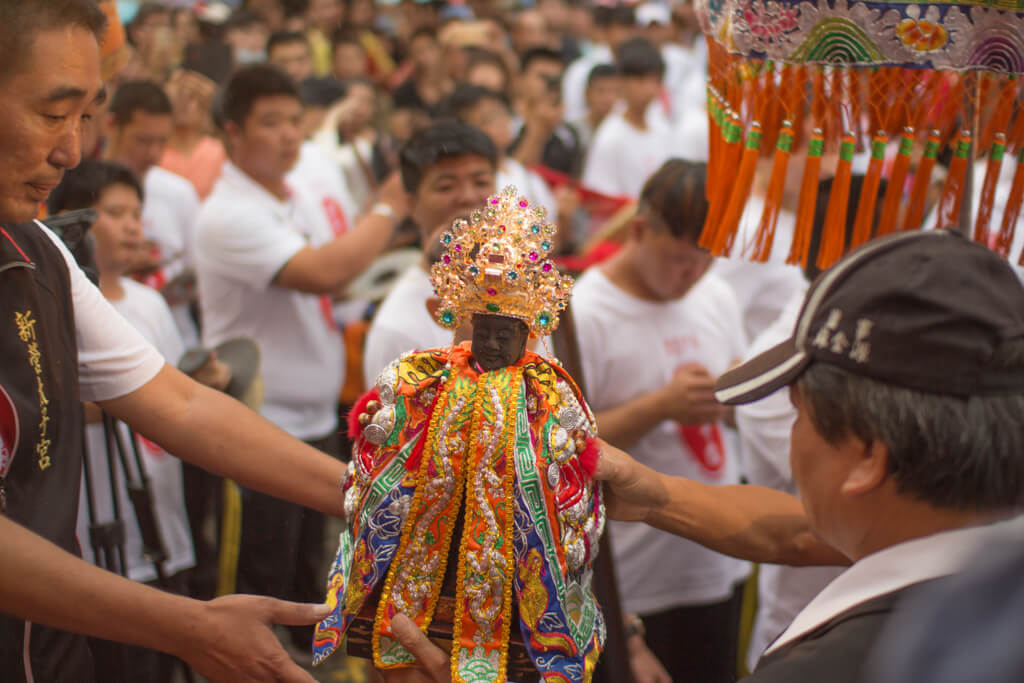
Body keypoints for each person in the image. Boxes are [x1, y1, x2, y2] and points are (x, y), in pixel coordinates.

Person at [0, 3, 345, 681]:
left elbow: (178, 404)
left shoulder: (36, 253)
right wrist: (190, 627)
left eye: (86, 116)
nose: (72, 150)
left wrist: (377, 495)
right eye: (52, 113)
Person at [596, 229, 1024, 681]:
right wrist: (654, 495)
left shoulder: (830, 667)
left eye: (798, 413)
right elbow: (797, 535)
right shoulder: (970, 556)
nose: (794, 435)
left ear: (867, 455)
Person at [316, 187, 603, 683]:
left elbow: (573, 463)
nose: (491, 345)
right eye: (482, 329)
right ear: (458, 318)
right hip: (430, 539)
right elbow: (380, 439)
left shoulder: (548, 390)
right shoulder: (426, 374)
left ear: (528, 332)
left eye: (504, 334)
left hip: (515, 552)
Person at [194, 62, 402, 651]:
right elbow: (323, 271)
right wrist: (389, 207)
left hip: (310, 419)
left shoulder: (293, 196)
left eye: (293, 122)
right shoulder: (228, 213)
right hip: (257, 427)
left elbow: (338, 278)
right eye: (270, 123)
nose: (288, 135)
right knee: (258, 580)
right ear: (233, 133)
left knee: (306, 573)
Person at [572, 159, 748, 682]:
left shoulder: (715, 295)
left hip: (717, 558)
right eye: (678, 259)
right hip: (630, 578)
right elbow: (557, 445)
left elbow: (740, 415)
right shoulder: (585, 312)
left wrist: (736, 397)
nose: (691, 274)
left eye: (706, 259)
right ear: (640, 230)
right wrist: (660, 406)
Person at [48, 159, 213, 683]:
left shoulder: (149, 303)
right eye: (113, 213)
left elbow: (179, 396)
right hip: (93, 530)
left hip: (158, 520)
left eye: (136, 213)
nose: (131, 226)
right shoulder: (50, 309)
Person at [361, 120, 498, 381]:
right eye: (446, 187)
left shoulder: (521, 294)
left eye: (481, 181)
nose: (468, 197)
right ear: (412, 205)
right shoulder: (397, 328)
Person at [104, 79, 202, 346]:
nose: (153, 153)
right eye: (143, 141)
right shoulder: (84, 188)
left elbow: (198, 273)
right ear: (112, 126)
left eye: (162, 142)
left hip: (175, 336)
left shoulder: (179, 192)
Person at [582, 37, 678, 199]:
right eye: (641, 81)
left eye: (654, 80)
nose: (649, 89)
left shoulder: (661, 125)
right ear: (623, 82)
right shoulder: (611, 137)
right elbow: (601, 197)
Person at [571, 63, 619, 154]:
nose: (608, 99)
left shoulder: (622, 132)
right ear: (587, 93)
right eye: (601, 91)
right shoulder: (573, 133)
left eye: (614, 91)